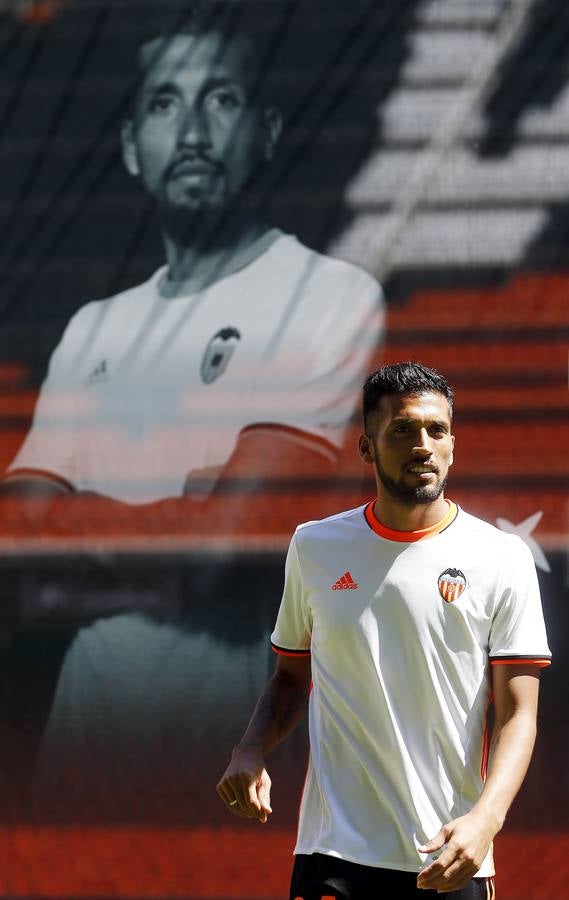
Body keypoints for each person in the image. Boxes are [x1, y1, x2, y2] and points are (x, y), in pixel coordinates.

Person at [0, 0, 383, 821]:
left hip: (246, 720)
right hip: (93, 708)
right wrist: (182, 505)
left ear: (269, 131)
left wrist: (91, 527)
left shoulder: (328, 296)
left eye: (223, 99)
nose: (196, 133)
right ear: (133, 148)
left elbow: (221, 547)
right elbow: (20, 542)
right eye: (165, 103)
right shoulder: (91, 328)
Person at [217, 361, 551, 899]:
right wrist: (249, 749)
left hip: (451, 855)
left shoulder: (502, 557)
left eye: (436, 430)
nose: (422, 444)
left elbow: (518, 714)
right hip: (334, 854)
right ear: (367, 448)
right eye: (402, 430)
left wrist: (486, 820)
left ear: (453, 444)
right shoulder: (315, 546)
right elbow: (289, 679)